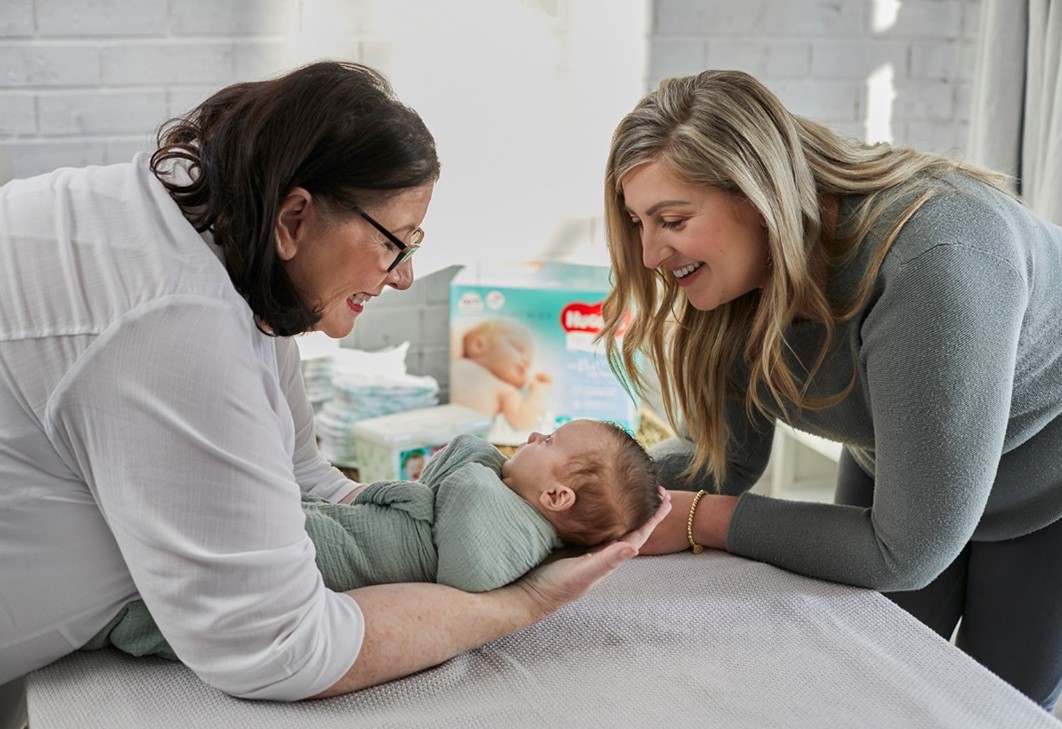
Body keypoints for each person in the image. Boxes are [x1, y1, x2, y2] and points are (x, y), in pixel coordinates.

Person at [0, 59, 671, 716]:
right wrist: (526, 604)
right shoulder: (178, 321)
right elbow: (279, 646)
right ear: (296, 219)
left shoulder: (225, 252)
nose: (404, 277)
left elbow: (298, 471)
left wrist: (405, 517)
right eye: (396, 245)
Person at [599, 69, 1062, 711]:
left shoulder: (937, 259)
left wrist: (700, 520)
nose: (649, 256)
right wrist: (594, 485)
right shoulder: (728, 276)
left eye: (671, 220)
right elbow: (724, 459)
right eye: (639, 222)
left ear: (756, 196)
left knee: (983, 709)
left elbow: (902, 553)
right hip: (900, 458)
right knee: (860, 687)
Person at [86, 419, 662, 660]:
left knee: (217, 572)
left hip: (334, 558)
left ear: (557, 498)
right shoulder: (504, 500)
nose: (534, 434)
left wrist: (477, 466)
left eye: (551, 441)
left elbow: (468, 573)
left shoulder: (511, 524)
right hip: (339, 533)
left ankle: (127, 606)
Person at [451, 318, 553, 429]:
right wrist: (470, 326)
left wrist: (539, 390)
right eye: (518, 349)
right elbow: (454, 334)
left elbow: (523, 420)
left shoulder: (506, 390)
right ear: (478, 345)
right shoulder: (458, 359)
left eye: (529, 362)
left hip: (467, 437)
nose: (527, 361)